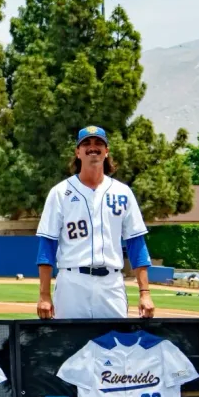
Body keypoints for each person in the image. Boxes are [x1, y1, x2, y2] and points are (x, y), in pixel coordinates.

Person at [35, 126, 154, 319]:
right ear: (78, 152)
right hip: (72, 282)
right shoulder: (60, 192)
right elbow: (47, 245)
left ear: (106, 151)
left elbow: (136, 243)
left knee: (114, 344)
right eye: (86, 144)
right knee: (68, 345)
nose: (93, 147)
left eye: (99, 143)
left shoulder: (122, 192)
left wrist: (145, 293)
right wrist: (44, 295)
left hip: (111, 282)